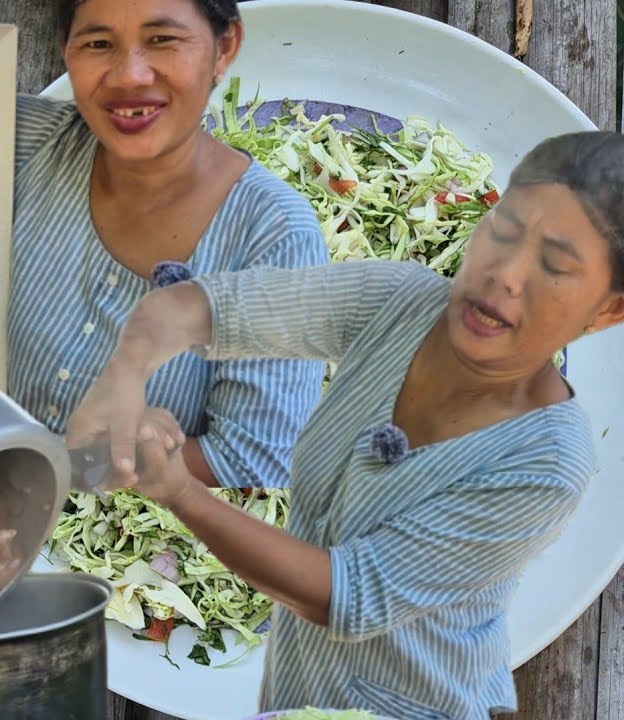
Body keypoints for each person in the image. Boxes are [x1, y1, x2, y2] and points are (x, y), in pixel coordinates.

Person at [65, 131, 624, 719]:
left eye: (555, 265)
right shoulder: (404, 303)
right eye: (504, 231)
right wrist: (125, 372)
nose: (505, 273)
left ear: (608, 310)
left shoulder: (545, 462)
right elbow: (214, 308)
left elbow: (345, 594)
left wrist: (177, 489)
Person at [8, 0, 329, 488]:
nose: (129, 76)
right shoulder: (14, 142)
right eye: (98, 43)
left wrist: (72, 468)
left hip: (103, 550)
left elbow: (254, 457)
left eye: (163, 40)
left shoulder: (274, 235)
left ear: (225, 49)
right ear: (65, 52)